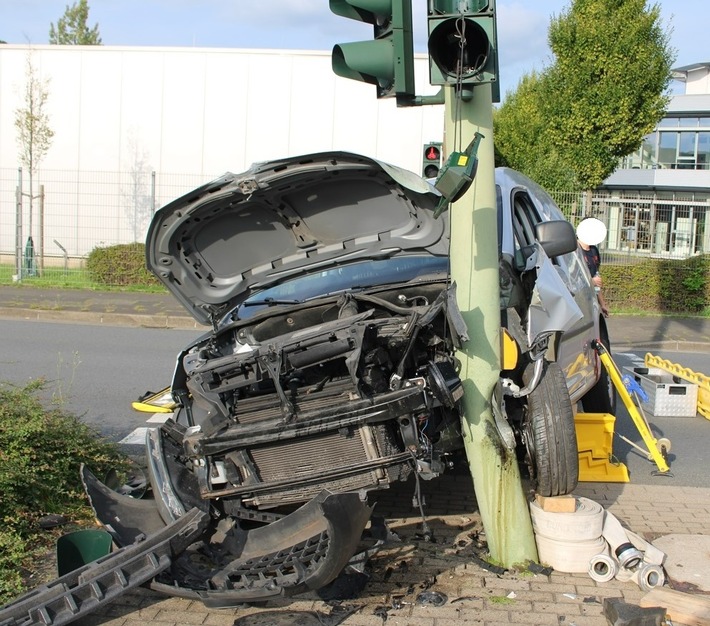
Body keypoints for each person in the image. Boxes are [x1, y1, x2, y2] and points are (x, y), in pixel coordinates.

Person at [576, 217, 609, 318]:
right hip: (577, 303)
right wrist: (591, 281)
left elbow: (596, 279)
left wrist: (603, 304)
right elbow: (571, 279)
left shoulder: (594, 251)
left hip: (591, 302)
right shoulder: (573, 251)